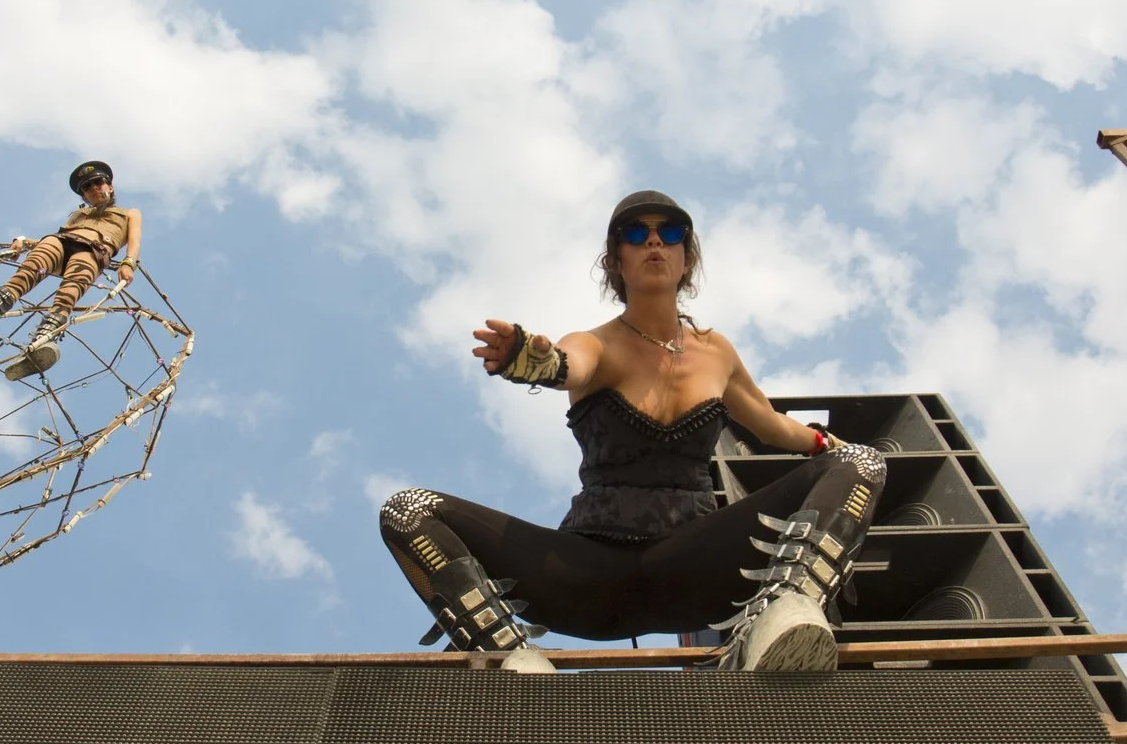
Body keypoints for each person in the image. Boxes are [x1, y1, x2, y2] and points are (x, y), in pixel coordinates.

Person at [377, 191, 885, 675]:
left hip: (696, 568)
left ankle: (781, 616)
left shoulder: (717, 354)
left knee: (863, 464)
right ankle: (511, 659)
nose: (654, 242)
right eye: (636, 233)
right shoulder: (597, 344)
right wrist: (531, 361)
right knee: (407, 510)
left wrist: (832, 448)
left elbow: (774, 426)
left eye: (669, 232)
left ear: (687, 258)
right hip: (588, 576)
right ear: (616, 261)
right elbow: (567, 365)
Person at [0, 160, 142, 380]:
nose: (94, 188)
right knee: (26, 273)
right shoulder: (78, 215)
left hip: (94, 251)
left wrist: (128, 262)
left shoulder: (129, 214)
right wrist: (25, 242)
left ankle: (42, 343)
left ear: (109, 186)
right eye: (87, 186)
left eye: (98, 182)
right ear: (84, 196)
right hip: (59, 241)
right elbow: (61, 236)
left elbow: (134, 241)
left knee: (69, 293)